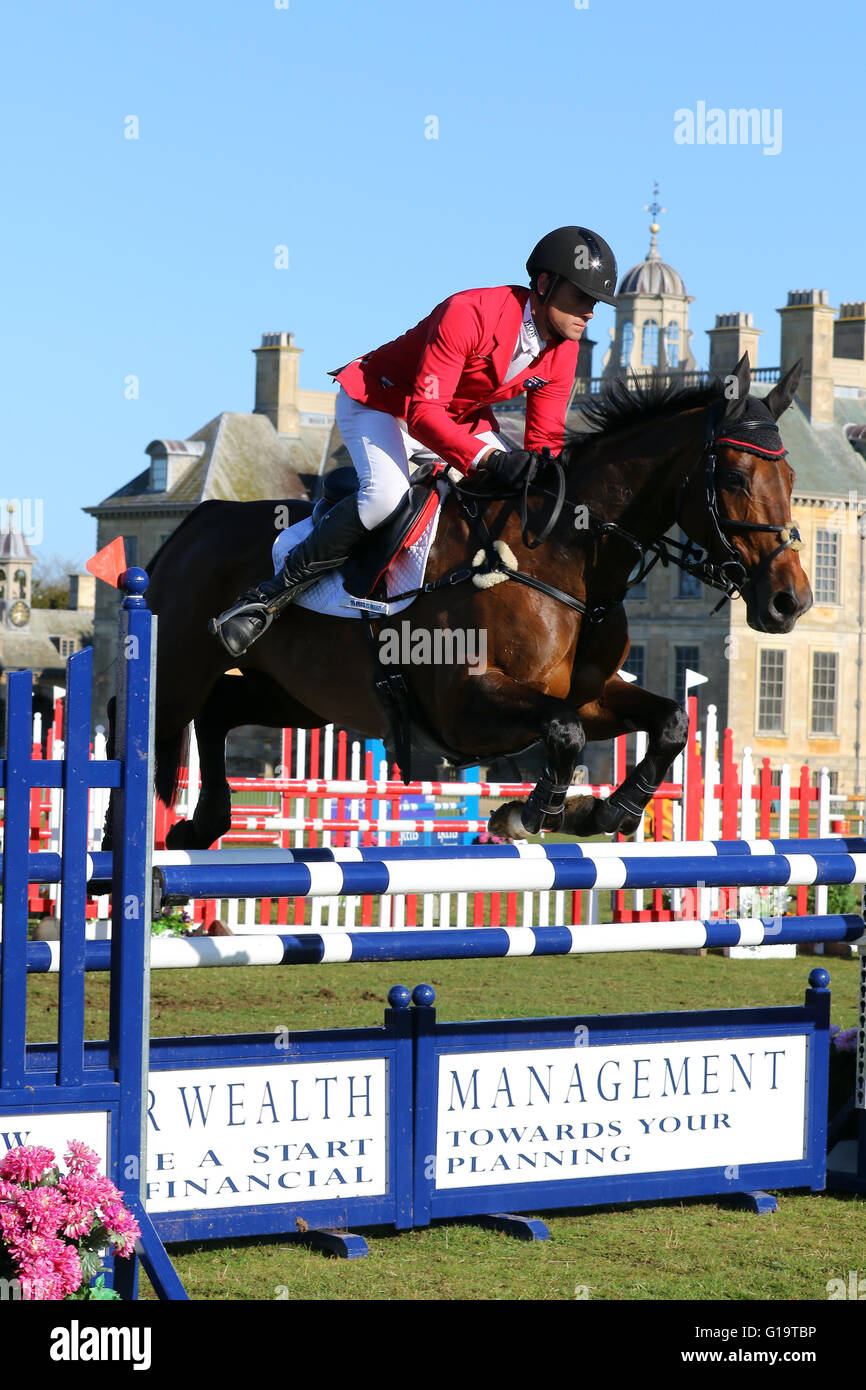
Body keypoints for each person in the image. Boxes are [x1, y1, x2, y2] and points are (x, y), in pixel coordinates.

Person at [210, 225, 618, 657]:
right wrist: (490, 459)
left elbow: (545, 439)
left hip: (457, 418)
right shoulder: (471, 311)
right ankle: (267, 599)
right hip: (381, 403)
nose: (590, 312)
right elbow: (423, 414)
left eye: (593, 303)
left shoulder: (564, 347)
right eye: (581, 297)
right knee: (385, 496)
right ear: (543, 284)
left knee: (513, 494)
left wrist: (544, 477)